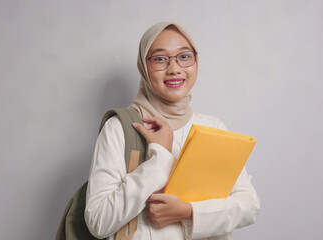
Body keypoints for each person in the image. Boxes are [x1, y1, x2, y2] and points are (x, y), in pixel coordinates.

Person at [85, 22, 260, 240]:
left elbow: (249, 206)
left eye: (184, 56)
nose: (174, 68)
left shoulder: (213, 128)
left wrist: (187, 212)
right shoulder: (120, 128)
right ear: (143, 66)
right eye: (160, 58)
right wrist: (159, 158)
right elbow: (98, 221)